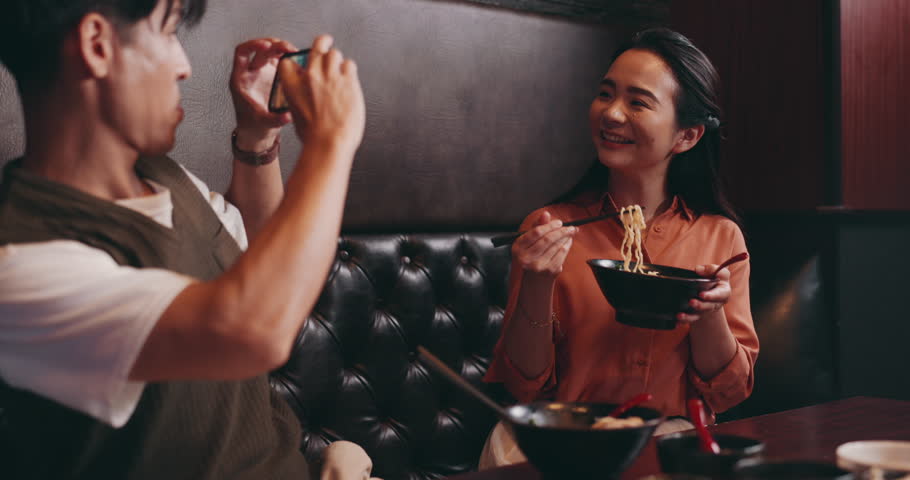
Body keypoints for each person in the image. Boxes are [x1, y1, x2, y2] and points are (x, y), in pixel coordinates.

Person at [0, 1, 377, 478]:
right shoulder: (19, 264)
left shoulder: (163, 177)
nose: (184, 66)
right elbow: (255, 330)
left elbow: (263, 262)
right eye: (168, 32)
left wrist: (257, 137)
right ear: (96, 45)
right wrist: (331, 140)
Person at [479, 27, 759, 467]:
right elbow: (523, 386)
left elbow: (730, 392)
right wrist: (537, 281)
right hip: (561, 442)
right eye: (605, 94)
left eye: (638, 102)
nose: (611, 113)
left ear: (687, 136)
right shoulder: (549, 227)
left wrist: (709, 314)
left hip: (670, 445)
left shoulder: (719, 238)